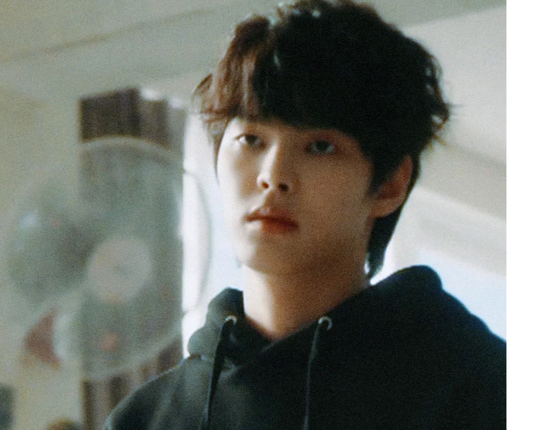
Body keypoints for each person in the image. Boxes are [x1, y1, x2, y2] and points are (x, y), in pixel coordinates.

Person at [104, 0, 506, 428]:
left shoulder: (484, 385)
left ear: (390, 184)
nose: (273, 176)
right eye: (251, 140)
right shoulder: (145, 419)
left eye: (320, 147)